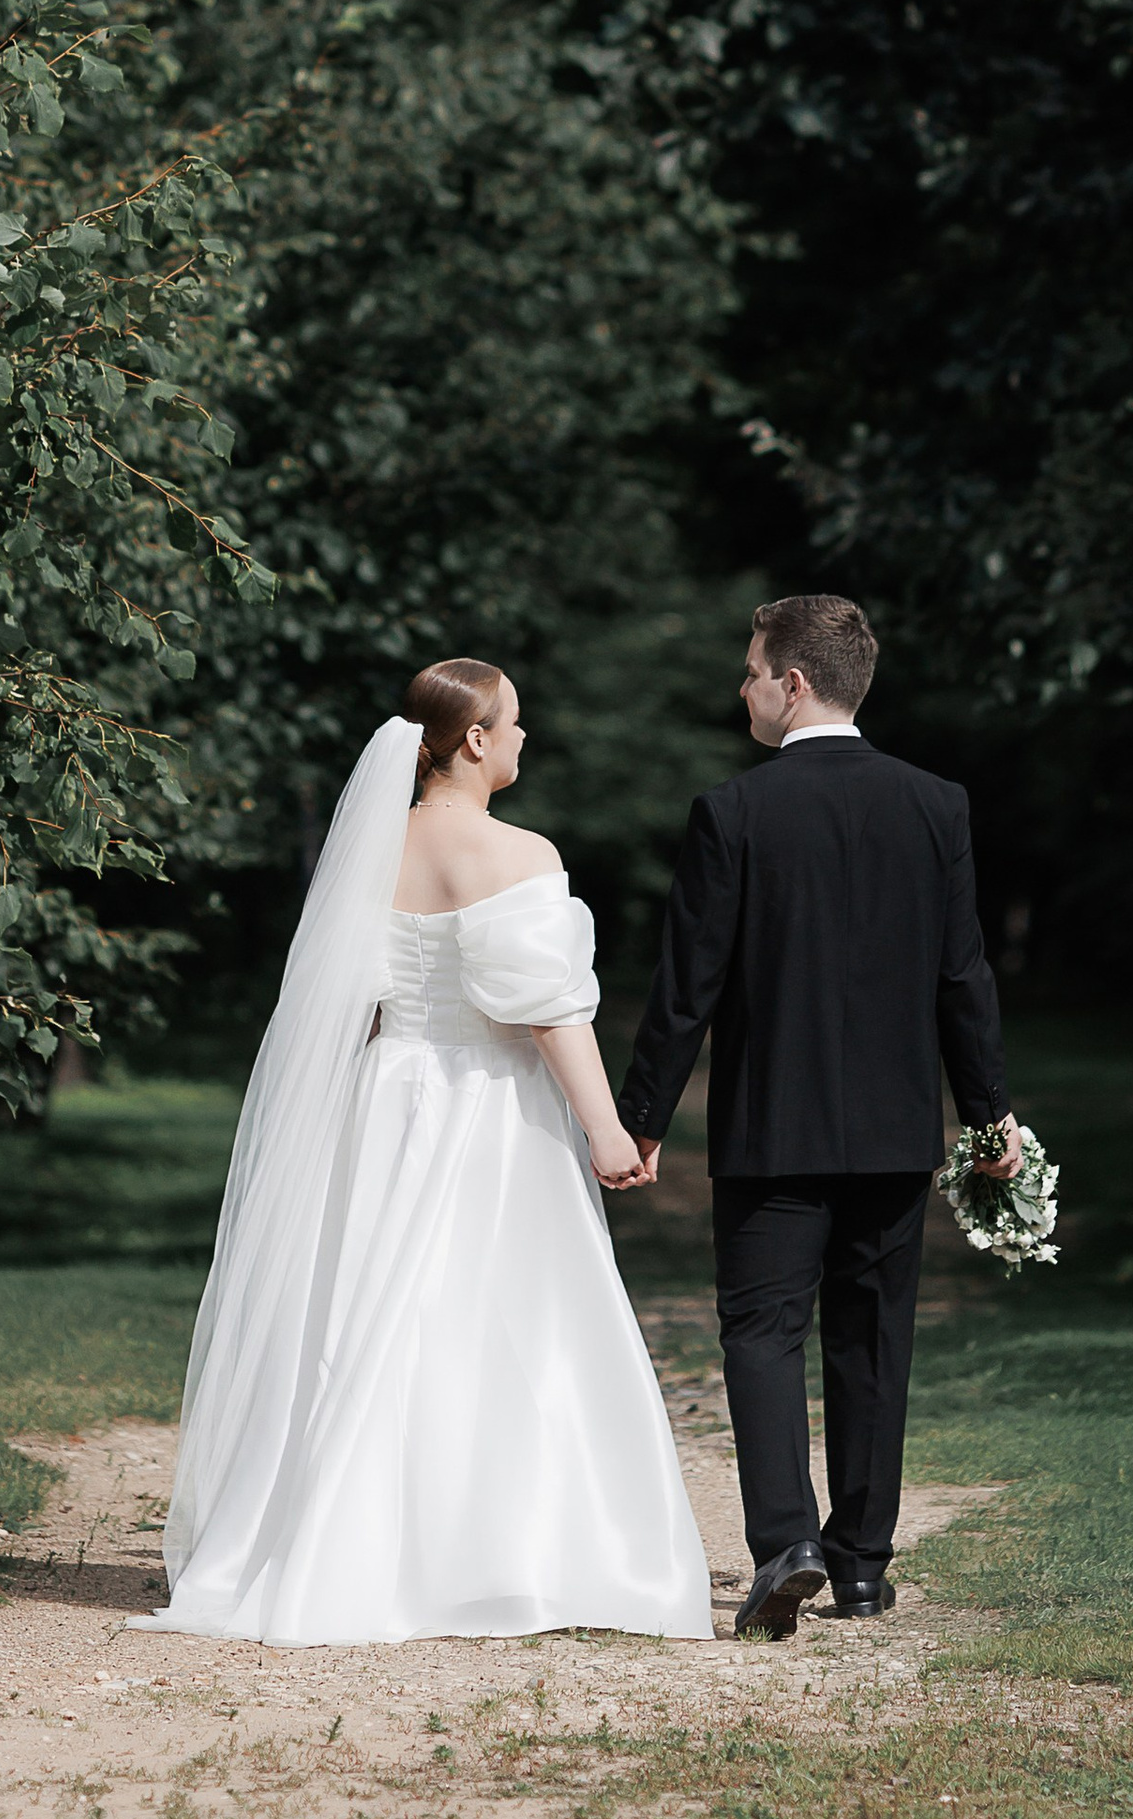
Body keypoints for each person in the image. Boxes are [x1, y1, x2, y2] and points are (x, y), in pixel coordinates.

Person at [141, 658, 712, 1645]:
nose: (527, 739)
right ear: (478, 740)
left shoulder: (369, 853)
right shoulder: (521, 857)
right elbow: (547, 1015)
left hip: (389, 1097)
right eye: (517, 723)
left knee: (372, 1315)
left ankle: (348, 1544)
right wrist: (605, 1128)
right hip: (491, 1110)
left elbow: (348, 1005)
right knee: (508, 1318)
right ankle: (499, 1552)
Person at [616, 593, 1020, 1639]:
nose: (741, 688)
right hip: (893, 1131)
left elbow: (685, 988)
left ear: (794, 682)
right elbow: (961, 977)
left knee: (762, 1332)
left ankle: (784, 1542)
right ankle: (864, 1568)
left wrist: (642, 1117)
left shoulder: (734, 812)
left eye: (750, 671)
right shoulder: (936, 804)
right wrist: (988, 1116)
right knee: (873, 1339)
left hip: (773, 1129)